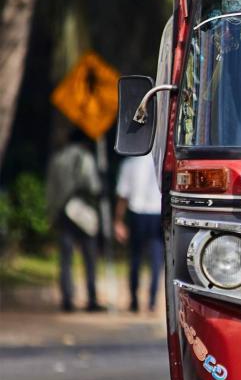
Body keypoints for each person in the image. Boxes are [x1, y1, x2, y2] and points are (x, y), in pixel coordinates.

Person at [46, 127, 104, 312]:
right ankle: (91, 298)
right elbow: (93, 186)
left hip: (63, 213)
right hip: (83, 212)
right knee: (89, 257)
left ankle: (67, 299)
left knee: (65, 258)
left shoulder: (57, 159)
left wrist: (52, 214)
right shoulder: (85, 158)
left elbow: (50, 191)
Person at [114, 153, 163, 313]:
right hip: (157, 213)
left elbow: (123, 195)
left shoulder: (129, 163)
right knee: (156, 258)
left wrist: (118, 221)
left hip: (138, 213)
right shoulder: (161, 161)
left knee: (135, 257)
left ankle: (134, 300)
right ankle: (152, 301)